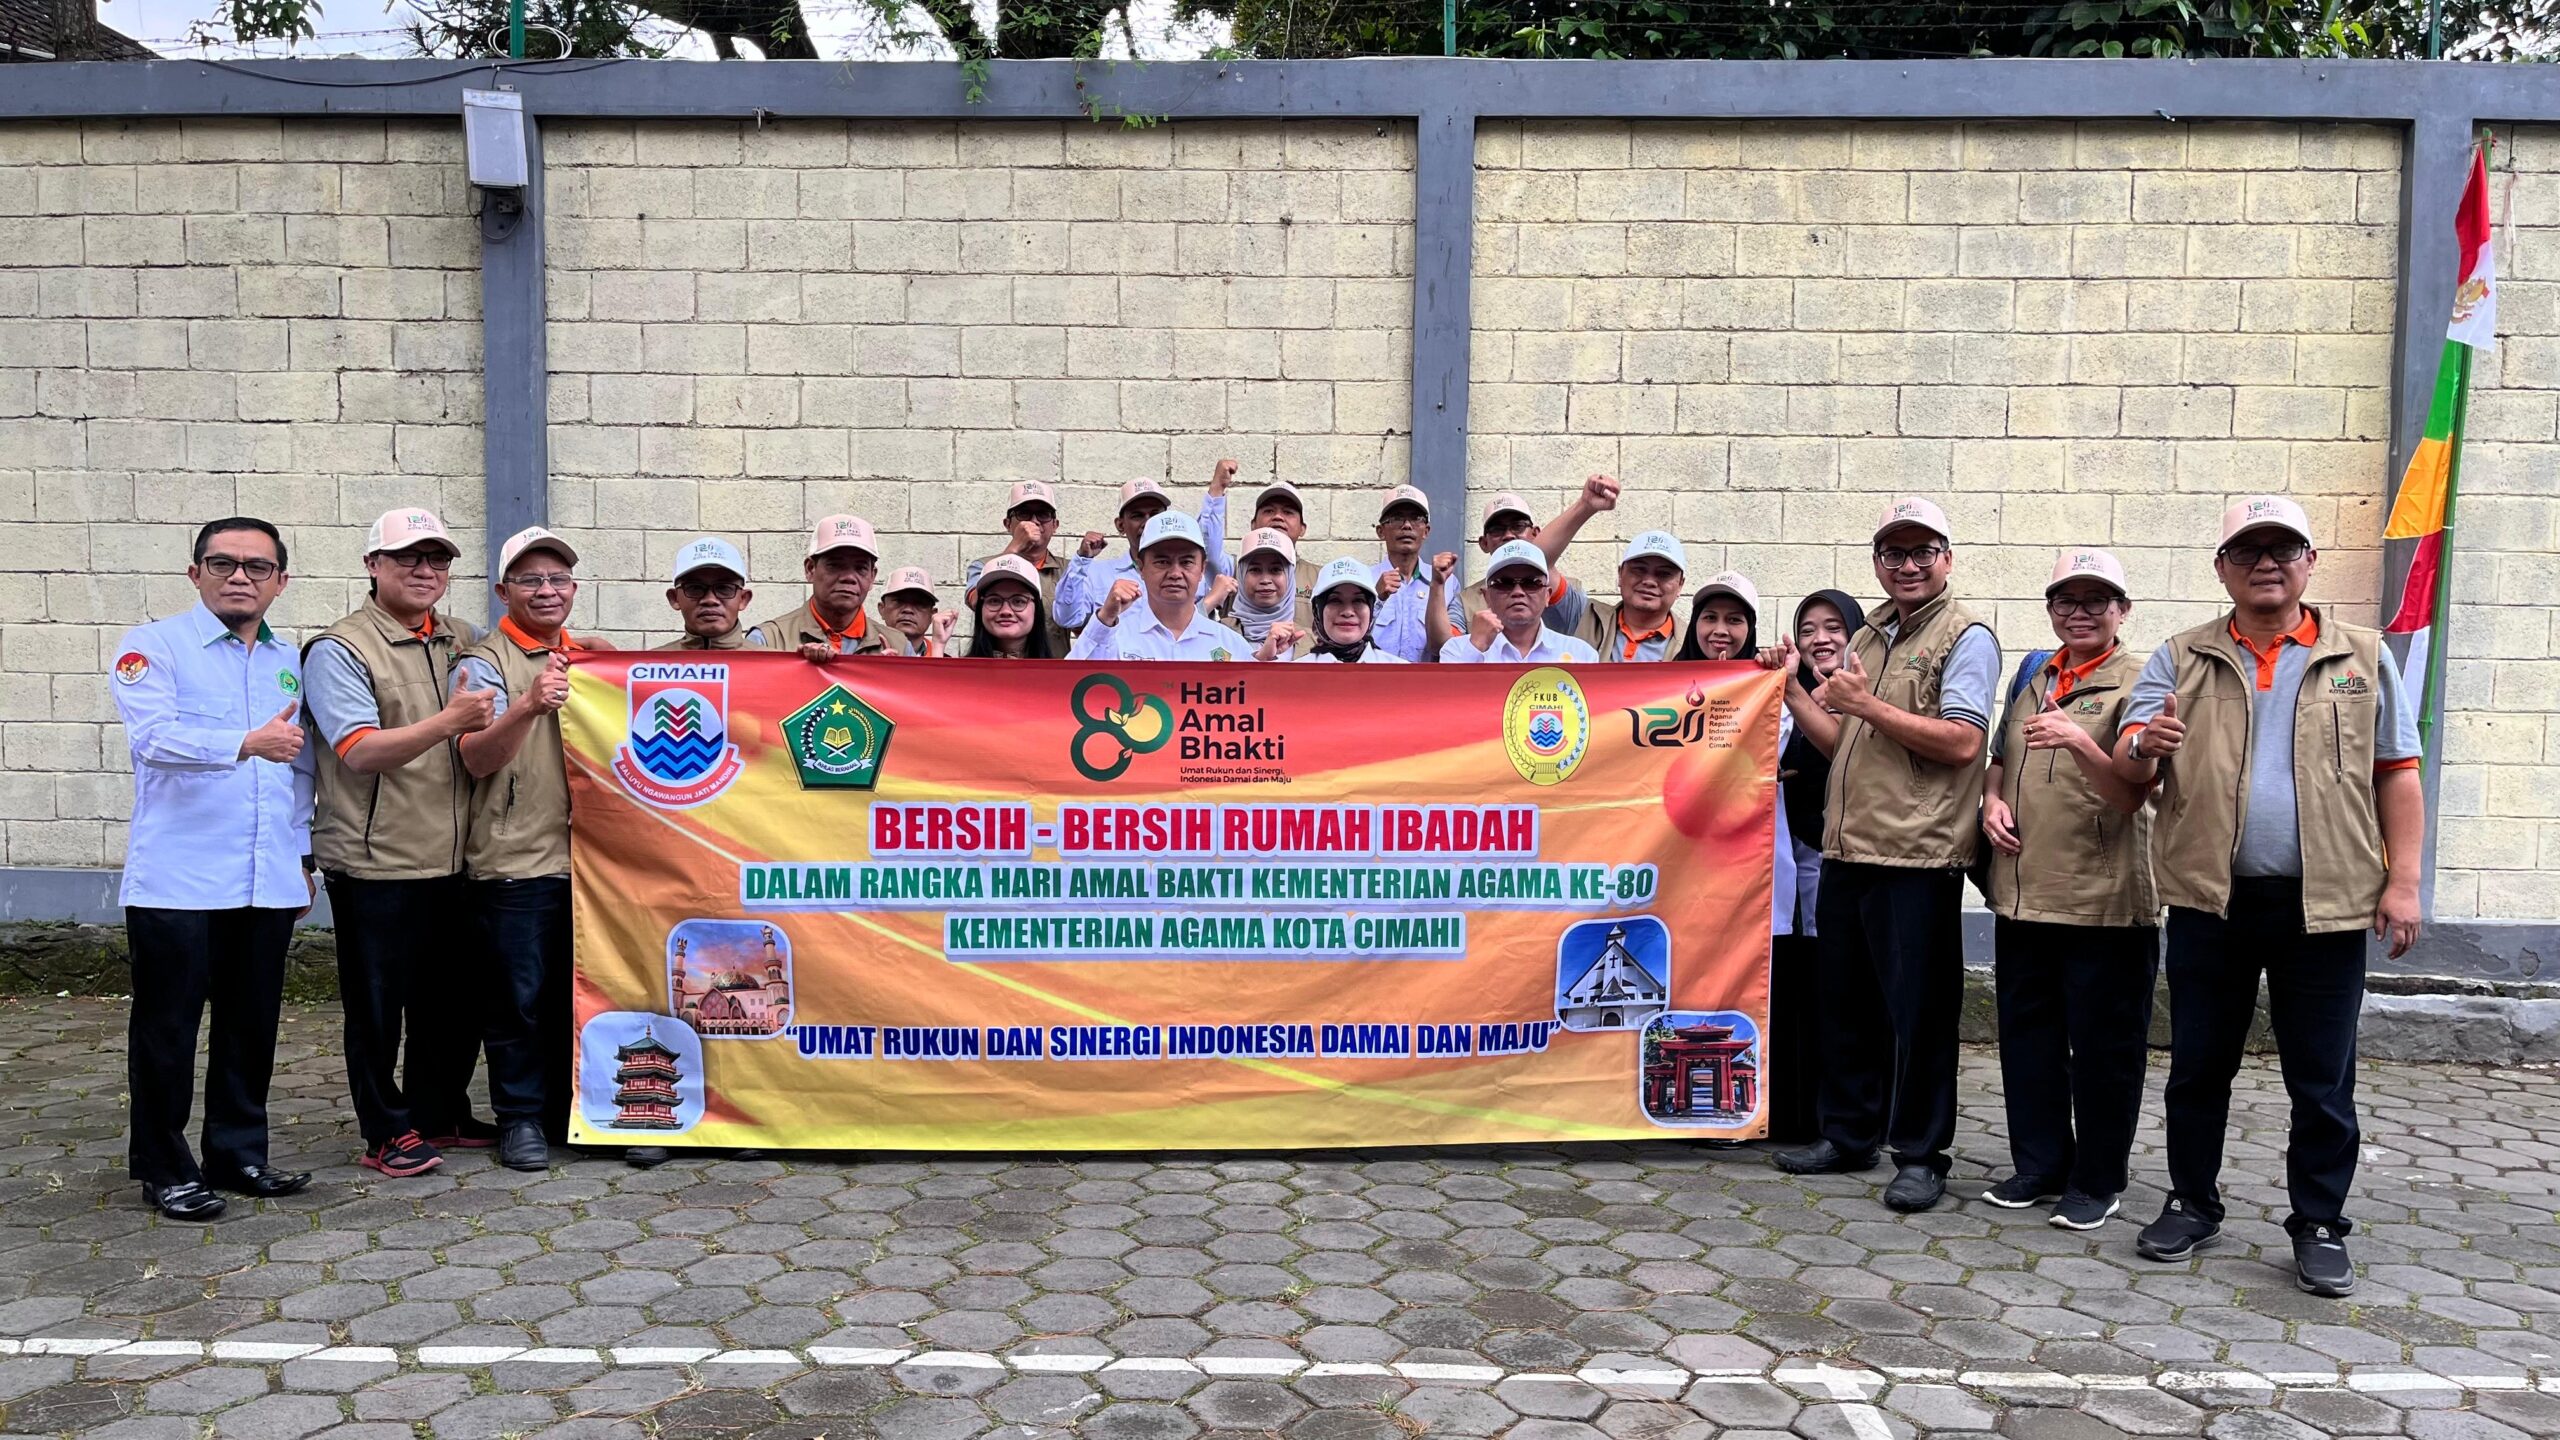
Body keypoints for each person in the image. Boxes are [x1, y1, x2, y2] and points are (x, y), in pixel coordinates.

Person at [2112, 496, 2423, 1298]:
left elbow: (2397, 771)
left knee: (2321, 1079)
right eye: (2247, 551)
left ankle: (2318, 1223)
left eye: (2283, 550)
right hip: (2210, 901)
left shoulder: (2360, 656)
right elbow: (2129, 760)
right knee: (2197, 1067)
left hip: (2328, 904)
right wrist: (2145, 744)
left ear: (2309, 563)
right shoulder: (2181, 656)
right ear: (2222, 569)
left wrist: (2404, 880)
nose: (2266, 564)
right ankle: (2192, 1203)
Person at [1773, 497, 1999, 1215]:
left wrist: (1867, 705)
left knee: (1919, 1018)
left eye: (1922, 552)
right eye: (1894, 553)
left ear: (1946, 560)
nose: (1907, 565)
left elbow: (1964, 742)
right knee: (1847, 1005)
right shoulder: (1871, 634)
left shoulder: (1966, 636)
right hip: (1851, 846)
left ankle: (1922, 1156)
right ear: (1877, 562)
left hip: (1918, 856)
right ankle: (1849, 1136)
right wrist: (1792, 690)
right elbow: (1846, 744)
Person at [112, 517, 317, 1221]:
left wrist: (302, 857)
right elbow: (153, 739)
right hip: (179, 878)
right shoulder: (153, 647)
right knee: (167, 1030)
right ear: (195, 572)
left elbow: (300, 770)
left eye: (257, 567)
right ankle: (165, 1168)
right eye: (223, 563)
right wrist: (245, 742)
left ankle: (237, 1153)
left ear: (280, 581)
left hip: (264, 873)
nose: (240, 577)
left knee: (250, 1024)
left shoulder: (287, 659)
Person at [302, 508, 496, 1178]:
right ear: (372, 566)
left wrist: (582, 646)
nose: (424, 570)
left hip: (454, 857)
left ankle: (438, 1113)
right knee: (378, 1009)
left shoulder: (460, 637)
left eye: (437, 558)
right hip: (376, 861)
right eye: (408, 557)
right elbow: (360, 751)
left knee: (452, 1003)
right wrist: (450, 721)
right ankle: (384, 1130)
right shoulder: (340, 649)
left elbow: (526, 652)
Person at [1977, 548, 2158, 1232]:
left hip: (2104, 902)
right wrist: (1992, 801)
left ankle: (2098, 1179)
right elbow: (2000, 758)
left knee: (2105, 1051)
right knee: (2029, 1039)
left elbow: (2134, 790)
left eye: (2096, 600)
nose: (2079, 613)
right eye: (2066, 600)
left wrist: (2079, 739)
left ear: (2122, 611)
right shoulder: (2034, 675)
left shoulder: (2143, 680)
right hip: (2023, 892)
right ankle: (2041, 1164)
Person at [447, 526, 591, 1172]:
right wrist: (528, 706)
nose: (546, 590)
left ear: (574, 589)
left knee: (575, 996)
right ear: (503, 592)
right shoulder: (482, 664)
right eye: (530, 580)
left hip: (590, 863)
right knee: (516, 1001)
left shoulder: (588, 658)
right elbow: (476, 758)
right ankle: (520, 1118)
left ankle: (573, 1112)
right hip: (513, 860)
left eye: (557, 578)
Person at [1760, 588, 1865, 1146]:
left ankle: (1851, 1116)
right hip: (1790, 861)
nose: (1820, 639)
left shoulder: (1869, 692)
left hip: (1848, 859)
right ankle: (1795, 1111)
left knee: (1844, 990)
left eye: (1833, 627)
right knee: (1798, 984)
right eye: (1807, 629)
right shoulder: (1779, 693)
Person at [1056, 463, 1235, 631]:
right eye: (1137, 515)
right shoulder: (1098, 574)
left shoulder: (1192, 571)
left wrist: (1217, 490)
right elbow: (1067, 619)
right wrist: (1082, 560)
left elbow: (1208, 544)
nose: (1148, 522)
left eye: (1155, 514)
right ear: (1120, 525)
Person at [1527, 478, 1687, 663]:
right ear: (1620, 575)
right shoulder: (1583, 617)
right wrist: (1585, 506)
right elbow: (1534, 563)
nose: (1649, 581)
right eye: (1639, 569)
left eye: (1664, 574)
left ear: (1680, 585)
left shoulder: (1692, 644)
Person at [1067, 512, 1254, 662]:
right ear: (1141, 568)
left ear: (1202, 569)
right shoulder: (1115, 636)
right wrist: (1105, 618)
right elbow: (1069, 685)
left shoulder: (1231, 645)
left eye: (1186, 562)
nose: (1175, 573)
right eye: (1162, 562)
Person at [1427, 490, 1574, 659]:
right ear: (1484, 543)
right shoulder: (1466, 601)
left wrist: (1586, 505)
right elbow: (1444, 646)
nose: (1509, 535)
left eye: (1531, 583)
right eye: (1497, 530)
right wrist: (1476, 646)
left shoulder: (1568, 593)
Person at [747, 516, 910, 658]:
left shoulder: (900, 647)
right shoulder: (767, 640)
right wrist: (794, 669)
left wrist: (890, 675)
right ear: (810, 569)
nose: (849, 577)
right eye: (835, 565)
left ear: (872, 577)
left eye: (860, 568)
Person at [1438, 541, 1600, 665]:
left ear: (1547, 595)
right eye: (1504, 583)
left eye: (1531, 583)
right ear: (1487, 597)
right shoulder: (1456, 650)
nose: (1518, 592)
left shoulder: (1581, 655)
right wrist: (1475, 648)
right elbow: (1449, 697)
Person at [965, 481, 1071, 658]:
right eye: (1024, 514)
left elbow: (1085, 627)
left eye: (1043, 514)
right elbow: (977, 602)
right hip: (994, 668)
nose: (1034, 521)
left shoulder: (1069, 570)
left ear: (1055, 525)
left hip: (1052, 670)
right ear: (1007, 524)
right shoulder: (982, 566)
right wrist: (1015, 546)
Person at [1369, 486, 1450, 663]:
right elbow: (1348, 639)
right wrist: (1376, 598)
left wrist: (1437, 586)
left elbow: (1449, 648)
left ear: (1426, 531)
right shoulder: (1364, 579)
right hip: (1374, 678)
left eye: (1415, 518)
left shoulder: (1447, 582)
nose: (1407, 525)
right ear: (1381, 531)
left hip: (1425, 679)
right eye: (1397, 518)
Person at [1213, 528, 1312, 657]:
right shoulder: (1218, 634)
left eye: (1276, 570)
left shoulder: (1313, 644)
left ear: (1289, 576)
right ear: (1241, 575)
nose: (1265, 580)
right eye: (1255, 570)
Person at [1299, 557, 1410, 665]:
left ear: (1371, 610)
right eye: (1335, 600)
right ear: (1318, 611)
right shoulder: (1295, 672)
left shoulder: (1401, 671)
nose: (1348, 612)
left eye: (1358, 600)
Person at [658, 537, 757, 651]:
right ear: (674, 598)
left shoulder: (770, 661)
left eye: (724, 588)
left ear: (743, 599)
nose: (710, 600)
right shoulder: (652, 661)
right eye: (695, 588)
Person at [963, 554, 1057, 660]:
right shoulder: (960, 669)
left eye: (1018, 601)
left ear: (1037, 609)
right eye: (994, 601)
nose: (1006, 611)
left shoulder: (1058, 670)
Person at [876, 566, 958, 657]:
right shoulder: (865, 654)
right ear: (882, 609)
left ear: (932, 615)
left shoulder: (945, 662)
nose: (908, 610)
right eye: (899, 601)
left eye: (919, 603)